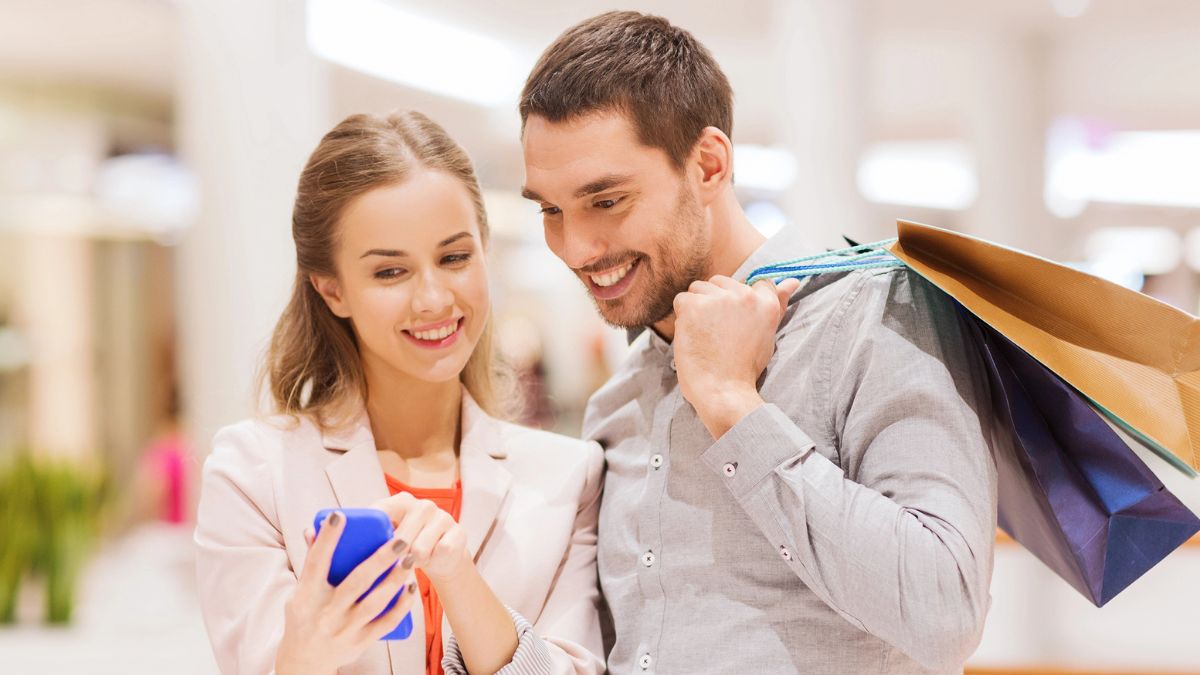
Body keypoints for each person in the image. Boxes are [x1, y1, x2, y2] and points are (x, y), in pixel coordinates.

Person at [518, 11, 1000, 675]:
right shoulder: (616, 404)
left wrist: (733, 406)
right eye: (550, 209)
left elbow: (945, 613)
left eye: (606, 200)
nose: (575, 246)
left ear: (709, 164)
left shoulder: (879, 318)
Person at [194, 111, 605, 675]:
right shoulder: (254, 474)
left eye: (455, 258)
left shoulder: (568, 478)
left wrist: (459, 579)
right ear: (331, 288)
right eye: (390, 272)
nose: (434, 299)